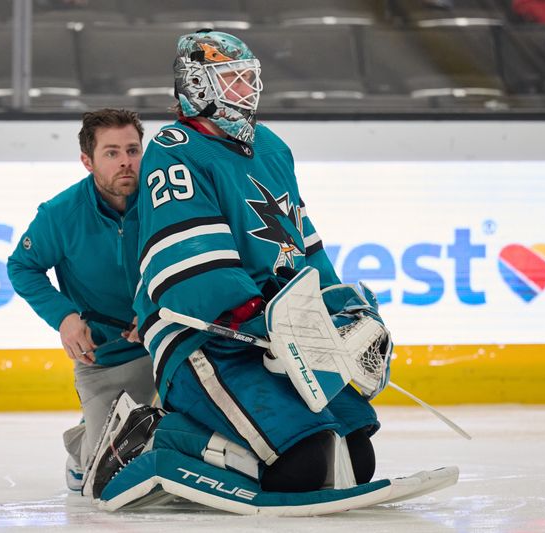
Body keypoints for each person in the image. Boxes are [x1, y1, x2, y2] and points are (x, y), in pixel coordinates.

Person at [87, 30, 391, 500]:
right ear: (197, 86)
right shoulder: (174, 150)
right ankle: (152, 437)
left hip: (275, 330)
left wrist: (336, 312)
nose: (247, 91)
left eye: (249, 79)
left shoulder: (271, 147)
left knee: (355, 456)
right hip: (204, 335)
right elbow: (189, 265)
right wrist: (259, 316)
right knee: (301, 466)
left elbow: (303, 248)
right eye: (231, 81)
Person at [7, 108, 156, 491]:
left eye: (133, 150)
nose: (125, 161)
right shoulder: (60, 215)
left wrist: (152, 310)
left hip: (170, 346)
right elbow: (22, 266)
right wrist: (65, 318)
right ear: (87, 161)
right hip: (107, 360)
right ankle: (84, 442)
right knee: (111, 475)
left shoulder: (169, 203)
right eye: (111, 153)